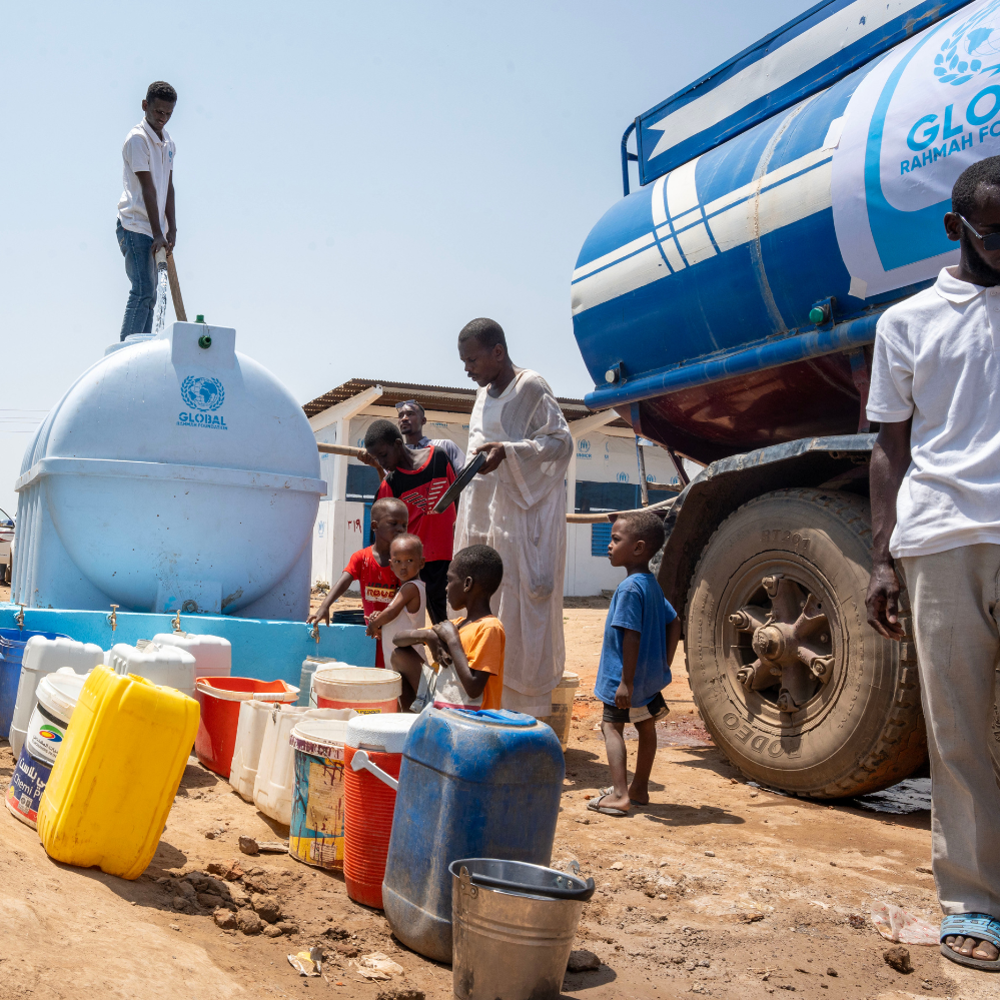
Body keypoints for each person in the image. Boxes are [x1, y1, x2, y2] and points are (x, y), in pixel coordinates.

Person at [865, 156, 1000, 972]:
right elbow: (889, 446)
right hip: (943, 537)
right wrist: (882, 560)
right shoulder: (908, 323)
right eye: (993, 231)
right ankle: (976, 902)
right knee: (957, 736)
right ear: (955, 227)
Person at [453, 317, 573, 717]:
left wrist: (509, 451)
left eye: (472, 359)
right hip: (486, 521)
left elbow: (559, 443)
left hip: (523, 524)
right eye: (463, 361)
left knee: (521, 609)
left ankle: (523, 714)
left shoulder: (531, 387)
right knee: (485, 605)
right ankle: (482, 704)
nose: (467, 368)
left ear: (498, 352)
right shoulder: (483, 394)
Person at [588, 511, 680, 818]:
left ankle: (620, 795)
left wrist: (625, 681)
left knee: (610, 727)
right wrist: (663, 665)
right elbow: (674, 621)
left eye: (615, 539)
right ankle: (640, 788)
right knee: (646, 726)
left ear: (638, 548)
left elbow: (631, 636)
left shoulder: (629, 589)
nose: (610, 545)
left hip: (623, 679)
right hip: (648, 680)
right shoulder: (650, 585)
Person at [390, 544, 505, 712]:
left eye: (450, 580)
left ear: (467, 584)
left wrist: (452, 641)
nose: (446, 587)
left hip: (472, 718)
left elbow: (473, 689)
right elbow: (397, 638)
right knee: (400, 655)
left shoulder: (490, 628)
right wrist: (428, 635)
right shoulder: (457, 624)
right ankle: (412, 723)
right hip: (444, 699)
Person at [364, 419, 456, 625]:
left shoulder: (438, 458)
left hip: (448, 555)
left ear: (398, 443)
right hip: (416, 563)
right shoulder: (390, 484)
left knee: (452, 617)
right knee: (424, 621)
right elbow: (381, 531)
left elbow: (456, 498)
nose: (381, 463)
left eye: (384, 455)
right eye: (376, 459)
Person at [307, 497, 407, 668]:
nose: (400, 529)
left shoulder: (402, 561)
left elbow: (405, 595)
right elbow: (344, 580)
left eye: (404, 525)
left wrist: (383, 620)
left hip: (395, 634)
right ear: (374, 526)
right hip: (371, 633)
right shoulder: (361, 558)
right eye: (393, 523)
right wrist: (324, 606)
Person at [117, 81, 178, 341]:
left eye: (168, 114)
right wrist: (157, 233)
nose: (162, 118)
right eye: (158, 112)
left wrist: (171, 228)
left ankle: (141, 348)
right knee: (142, 289)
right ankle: (126, 353)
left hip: (155, 229)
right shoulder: (138, 139)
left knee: (151, 295)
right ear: (145, 106)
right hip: (136, 226)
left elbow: (169, 187)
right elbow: (148, 189)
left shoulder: (168, 143)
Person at [366, 533, 427, 671]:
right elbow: (395, 616)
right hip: (403, 661)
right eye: (398, 561)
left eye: (409, 560)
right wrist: (380, 618)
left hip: (408, 661)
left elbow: (391, 612)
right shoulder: (407, 588)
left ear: (421, 563)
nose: (403, 566)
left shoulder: (411, 588)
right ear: (391, 565)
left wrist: (373, 625)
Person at [396, 400, 465, 476]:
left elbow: (466, 477)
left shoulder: (445, 446)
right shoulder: (397, 456)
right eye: (400, 415)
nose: (404, 418)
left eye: (410, 414)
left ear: (423, 421)